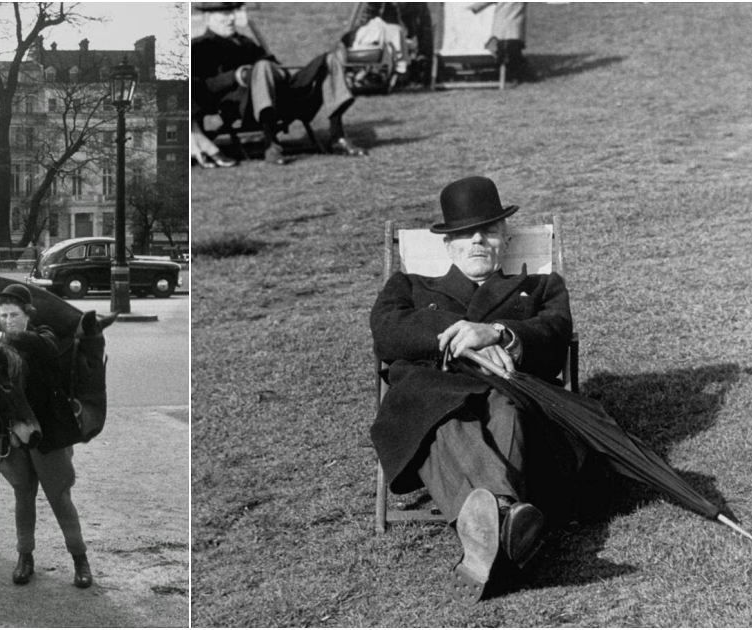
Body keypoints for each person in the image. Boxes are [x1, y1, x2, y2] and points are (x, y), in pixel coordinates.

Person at [369, 176, 578, 601]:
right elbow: (386, 332)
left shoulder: (540, 286)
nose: (478, 240)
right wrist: (458, 331)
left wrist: (498, 333)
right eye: (465, 233)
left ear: (505, 238)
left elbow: (555, 332)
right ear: (448, 246)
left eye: (489, 230)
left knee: (502, 405)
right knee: (443, 410)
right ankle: (507, 514)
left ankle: (490, 535)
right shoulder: (411, 286)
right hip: (429, 401)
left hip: (511, 398)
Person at [0, 284, 93, 589]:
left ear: (28, 315)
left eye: (14, 315)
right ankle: (25, 556)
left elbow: (43, 347)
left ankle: (80, 559)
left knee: (59, 497)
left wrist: (7, 337)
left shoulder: (44, 336)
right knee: (22, 495)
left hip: (47, 433)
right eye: (3, 315)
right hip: (11, 435)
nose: (8, 320)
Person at [192, 2, 367, 166]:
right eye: (224, 13)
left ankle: (337, 136)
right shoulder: (201, 47)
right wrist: (235, 76)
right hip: (243, 104)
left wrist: (279, 71)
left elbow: (274, 64)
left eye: (232, 12)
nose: (231, 18)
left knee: (329, 60)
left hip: (282, 96)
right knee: (262, 66)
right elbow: (200, 87)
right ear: (208, 17)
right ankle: (271, 143)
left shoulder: (246, 42)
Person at [468, 2, 532, 83]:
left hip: (500, 30)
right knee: (514, 52)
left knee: (501, 51)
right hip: (515, 31)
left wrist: (474, 8)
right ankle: (518, 74)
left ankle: (508, 73)